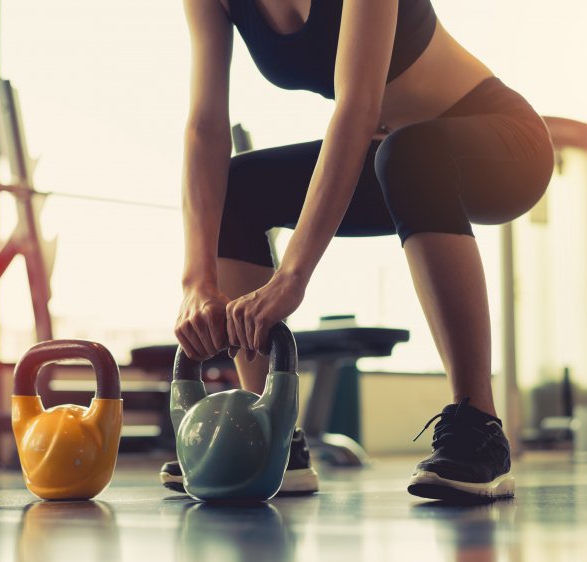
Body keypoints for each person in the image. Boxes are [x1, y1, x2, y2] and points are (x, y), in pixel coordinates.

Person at [164, 0, 554, 502]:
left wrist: (292, 276)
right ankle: (273, 434)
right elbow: (205, 127)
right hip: (399, 154)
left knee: (410, 152)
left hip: (504, 143)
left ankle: (479, 429)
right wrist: (197, 281)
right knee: (238, 191)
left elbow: (357, 107)